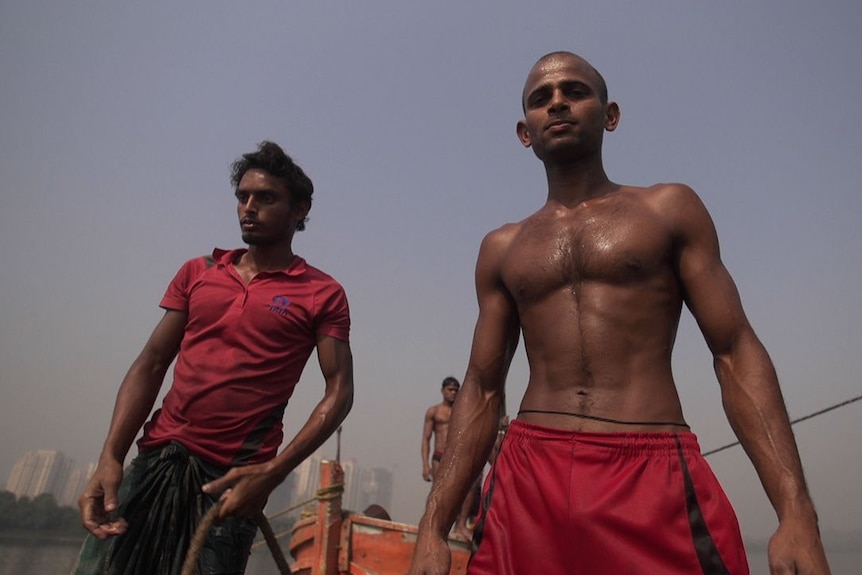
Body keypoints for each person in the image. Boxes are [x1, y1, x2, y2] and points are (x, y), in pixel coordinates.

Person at [408, 52, 830, 575]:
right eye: (541, 98)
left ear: (610, 115)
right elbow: (483, 386)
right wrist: (432, 527)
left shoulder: (668, 209)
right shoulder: (502, 247)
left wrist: (796, 512)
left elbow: (735, 350)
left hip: (651, 470)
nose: (557, 102)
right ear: (525, 132)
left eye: (575, 91)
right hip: (527, 478)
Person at [73, 141, 354, 575]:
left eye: (265, 198)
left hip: (233, 480)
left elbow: (339, 392)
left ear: (300, 209)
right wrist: (111, 455)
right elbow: (151, 362)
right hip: (155, 459)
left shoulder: (322, 293)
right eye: (243, 196)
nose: (249, 207)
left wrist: (273, 472)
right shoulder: (200, 271)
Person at [421, 377, 460, 483]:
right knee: (437, 492)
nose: (453, 393)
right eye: (450, 389)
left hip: (457, 458)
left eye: (456, 390)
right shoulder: (434, 411)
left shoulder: (462, 412)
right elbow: (426, 438)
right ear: (442, 391)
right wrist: (425, 464)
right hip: (439, 456)